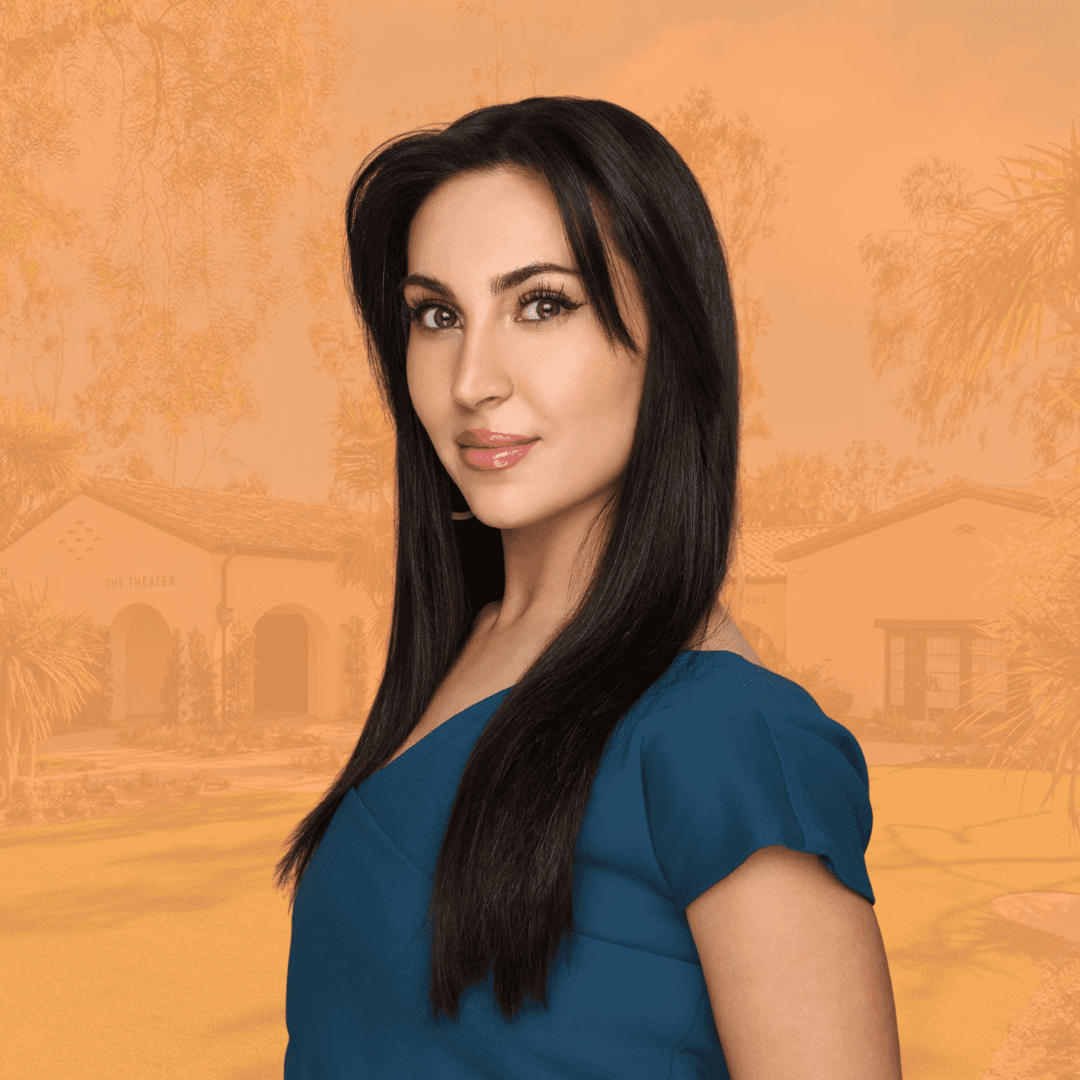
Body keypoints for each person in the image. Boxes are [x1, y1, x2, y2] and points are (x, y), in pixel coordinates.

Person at [277, 96, 902, 1079]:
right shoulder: (464, 650)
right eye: (437, 315)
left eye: (541, 304)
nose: (471, 378)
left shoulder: (724, 735)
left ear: (672, 344)